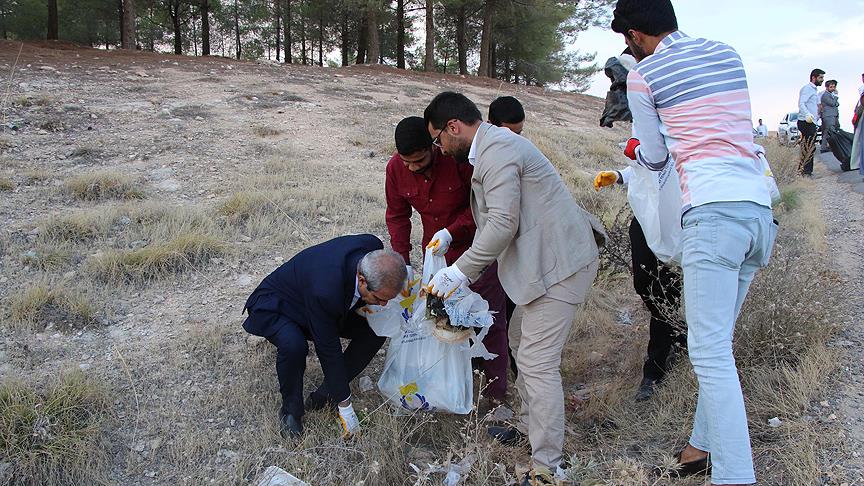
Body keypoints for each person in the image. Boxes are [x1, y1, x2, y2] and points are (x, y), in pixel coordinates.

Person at [612, 1, 777, 485]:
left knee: (709, 356)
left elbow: (658, 158)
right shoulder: (727, 53)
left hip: (712, 214)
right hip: (757, 212)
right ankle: (700, 449)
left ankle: (735, 476)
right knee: (717, 344)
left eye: (628, 40)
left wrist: (636, 151)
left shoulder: (644, 74)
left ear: (636, 35)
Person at [423, 92, 607, 485]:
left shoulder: (498, 151)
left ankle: (548, 466)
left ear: (453, 127)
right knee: (522, 340)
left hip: (561, 265)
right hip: (546, 263)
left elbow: (502, 224)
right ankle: (528, 425)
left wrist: (459, 272)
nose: (439, 148)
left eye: (439, 139)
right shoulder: (492, 148)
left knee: (539, 364)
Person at [384, 116, 511, 407]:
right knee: (443, 321)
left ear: (433, 146)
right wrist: (402, 263)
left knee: (490, 319)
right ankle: (451, 383)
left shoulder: (458, 160)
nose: (413, 167)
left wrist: (452, 231)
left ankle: (495, 394)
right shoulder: (395, 168)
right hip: (437, 255)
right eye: (407, 162)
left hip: (477, 251)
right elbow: (397, 216)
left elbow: (482, 207)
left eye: (419, 160)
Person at [242, 235, 407, 439]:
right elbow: (329, 350)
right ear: (362, 281)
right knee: (294, 345)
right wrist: (345, 405)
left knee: (374, 333)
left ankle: (324, 395)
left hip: (319, 303)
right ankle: (291, 412)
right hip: (278, 305)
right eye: (379, 299)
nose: (383, 305)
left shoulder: (371, 247)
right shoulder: (326, 290)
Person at [594, 168, 686, 401]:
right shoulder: (651, 132)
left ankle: (654, 371)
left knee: (666, 292)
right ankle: (678, 333)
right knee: (643, 284)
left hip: (678, 220)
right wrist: (619, 175)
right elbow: (646, 164)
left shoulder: (689, 134)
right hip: (645, 221)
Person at [798, 68, 825, 175]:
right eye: (820, 77)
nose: (822, 80)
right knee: (809, 147)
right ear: (814, 78)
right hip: (805, 122)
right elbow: (801, 103)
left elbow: (816, 105)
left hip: (811, 121)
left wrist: (817, 116)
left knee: (808, 146)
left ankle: (804, 170)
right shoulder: (807, 89)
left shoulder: (814, 90)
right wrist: (807, 114)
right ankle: (806, 171)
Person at [820, 80, 840, 152]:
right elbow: (832, 103)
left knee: (829, 131)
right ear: (827, 87)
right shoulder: (825, 95)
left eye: (834, 87)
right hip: (828, 116)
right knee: (830, 131)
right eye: (831, 87)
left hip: (833, 115)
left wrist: (835, 100)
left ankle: (825, 147)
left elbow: (837, 104)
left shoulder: (832, 95)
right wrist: (836, 96)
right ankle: (826, 147)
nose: (833, 88)